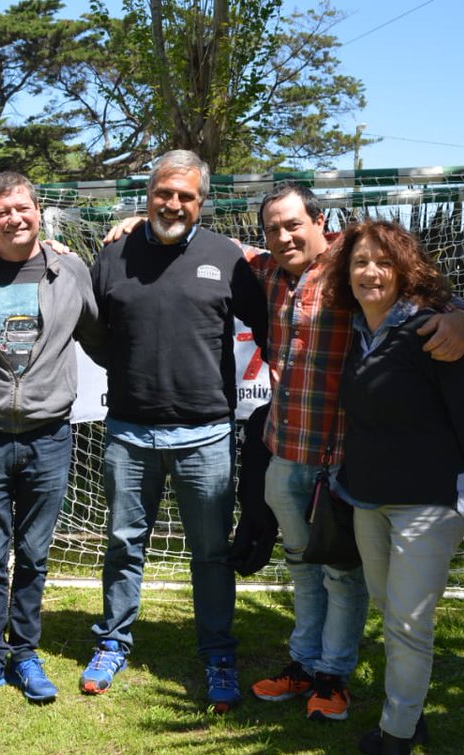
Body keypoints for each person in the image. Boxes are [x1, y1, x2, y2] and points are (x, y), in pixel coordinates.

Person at [245, 184, 464, 723]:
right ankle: (302, 665)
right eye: (272, 229)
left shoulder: (351, 268)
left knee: (341, 574)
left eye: (292, 224)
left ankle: (333, 676)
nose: (283, 236)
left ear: (319, 222)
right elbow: (214, 245)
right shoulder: (268, 271)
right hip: (285, 452)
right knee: (302, 566)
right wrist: (135, 222)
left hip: (343, 458)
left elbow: (424, 291)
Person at [77, 150, 267, 713]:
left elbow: (271, 324)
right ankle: (113, 640)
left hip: (206, 436)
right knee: (122, 544)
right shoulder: (114, 254)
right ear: (149, 194)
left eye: (186, 196)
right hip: (129, 433)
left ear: (202, 202)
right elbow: (91, 327)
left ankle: (218, 652)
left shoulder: (227, 257)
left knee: (210, 553)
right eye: (165, 193)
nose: (174, 204)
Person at [322, 220, 464, 755]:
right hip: (366, 499)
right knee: (388, 611)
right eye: (359, 263)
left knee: (407, 623)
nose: (370, 272)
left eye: (382, 262)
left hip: (427, 502)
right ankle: (410, 711)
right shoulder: (355, 331)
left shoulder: (431, 330)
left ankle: (396, 747)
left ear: (404, 270)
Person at [0, 172, 99, 704]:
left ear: (38, 211)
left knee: (34, 554)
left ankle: (26, 652)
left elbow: (102, 335)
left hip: (49, 436)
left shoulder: (71, 270)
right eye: (1, 212)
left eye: (22, 208)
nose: (14, 218)